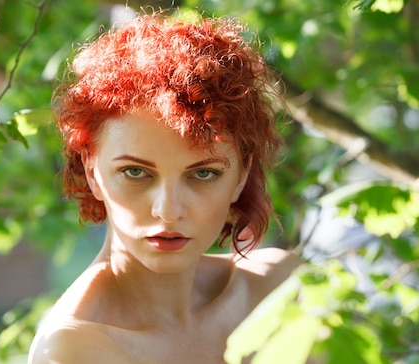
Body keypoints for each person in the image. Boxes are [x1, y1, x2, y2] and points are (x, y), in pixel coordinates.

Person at [28, 11, 301, 364]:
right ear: (91, 171)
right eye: (135, 173)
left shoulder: (276, 289)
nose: (168, 210)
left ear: (242, 176)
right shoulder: (74, 347)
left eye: (203, 174)